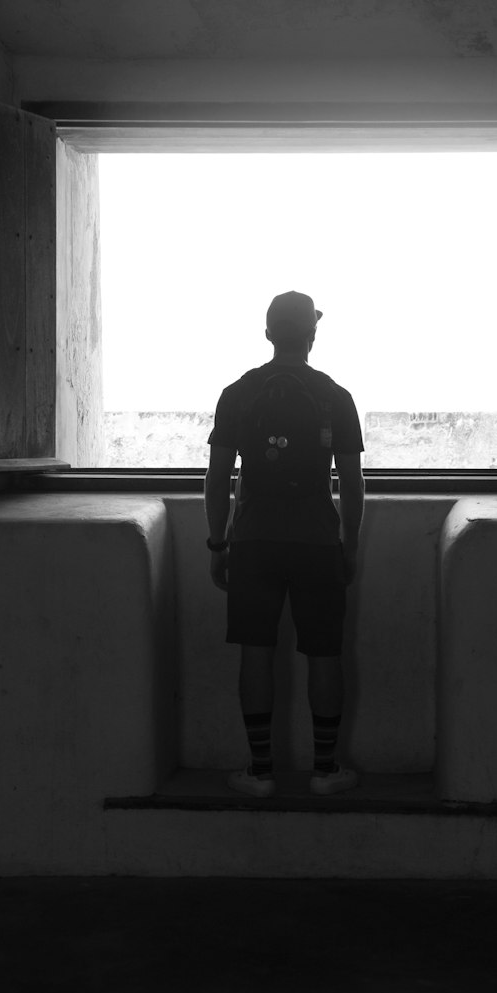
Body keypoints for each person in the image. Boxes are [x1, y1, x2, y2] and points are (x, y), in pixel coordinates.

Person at [204, 291, 365, 798]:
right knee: (324, 653)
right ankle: (325, 770)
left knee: (256, 652)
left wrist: (217, 542)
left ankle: (259, 772)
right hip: (317, 538)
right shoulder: (335, 396)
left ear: (269, 333)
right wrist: (348, 544)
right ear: (312, 336)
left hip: (253, 539)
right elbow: (353, 481)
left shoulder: (238, 393)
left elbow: (217, 477)